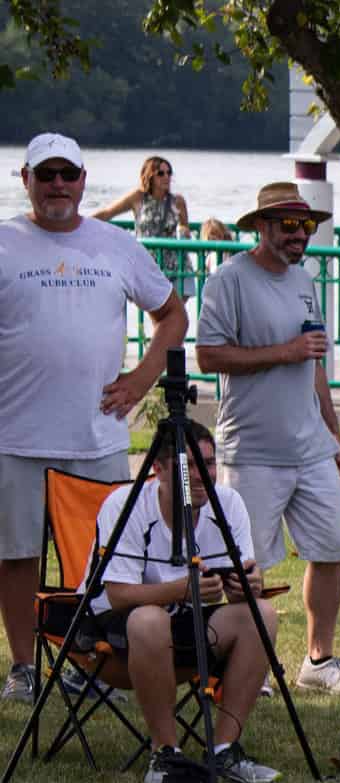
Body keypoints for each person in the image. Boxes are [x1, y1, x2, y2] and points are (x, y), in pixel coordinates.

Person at [1, 133, 188, 705]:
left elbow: (173, 314)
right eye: (46, 174)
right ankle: (24, 667)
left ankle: (92, 665)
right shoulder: (5, 242)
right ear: (26, 179)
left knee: (106, 560)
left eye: (68, 174)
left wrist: (140, 379)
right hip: (14, 435)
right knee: (16, 557)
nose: (58, 185)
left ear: (84, 180)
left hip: (97, 435)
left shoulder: (116, 244)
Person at [195, 182, 340, 696]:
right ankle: (250, 662)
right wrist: (284, 351)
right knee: (249, 564)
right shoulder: (228, 281)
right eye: (288, 225)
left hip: (310, 446)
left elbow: (313, 361)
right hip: (253, 449)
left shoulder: (303, 281)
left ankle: (319, 660)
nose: (299, 235)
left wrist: (332, 429)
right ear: (262, 228)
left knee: (330, 549)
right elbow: (209, 357)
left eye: (306, 226)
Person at [82, 420, 281, 783]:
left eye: (208, 462)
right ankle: (165, 754)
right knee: (148, 621)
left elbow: (240, 586)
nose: (201, 475)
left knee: (261, 615)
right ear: (158, 469)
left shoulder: (228, 503)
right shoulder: (125, 506)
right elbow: (118, 594)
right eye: (187, 466)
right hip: (114, 635)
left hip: (184, 625)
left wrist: (248, 585)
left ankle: (223, 749)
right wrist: (183, 590)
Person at [94, 155, 188, 238]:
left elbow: (185, 228)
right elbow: (107, 212)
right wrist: (83, 224)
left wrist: (184, 230)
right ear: (150, 176)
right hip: (144, 255)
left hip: (170, 257)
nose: (166, 177)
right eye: (161, 173)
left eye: (169, 173)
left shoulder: (178, 201)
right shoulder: (138, 197)